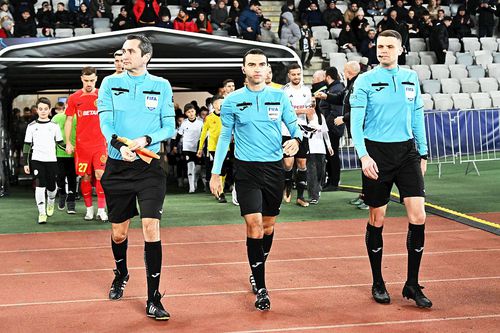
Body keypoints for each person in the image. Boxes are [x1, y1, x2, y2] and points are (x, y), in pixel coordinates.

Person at [209, 48, 302, 311]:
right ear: (244, 69)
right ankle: (261, 288)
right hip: (246, 170)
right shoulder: (232, 100)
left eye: (261, 64)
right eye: (252, 64)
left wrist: (296, 140)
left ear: (267, 68)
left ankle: (257, 266)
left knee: (269, 226)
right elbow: (224, 137)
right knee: (254, 225)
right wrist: (216, 173)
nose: (257, 69)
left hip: (273, 169)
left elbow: (294, 126)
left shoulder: (279, 96)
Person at [350, 29, 432, 308]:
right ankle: (378, 281)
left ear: (400, 49)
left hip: (407, 152)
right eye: (379, 46)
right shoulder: (365, 80)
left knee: (418, 216)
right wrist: (363, 156)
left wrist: (423, 152)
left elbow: (418, 116)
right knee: (377, 219)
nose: (382, 50)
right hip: (376, 154)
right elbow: (355, 124)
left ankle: (411, 284)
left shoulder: (410, 78)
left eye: (388, 46)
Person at [98, 34, 176, 320]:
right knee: (119, 232)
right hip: (118, 167)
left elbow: (169, 127)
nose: (124, 54)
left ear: (146, 57)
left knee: (151, 227)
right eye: (123, 50)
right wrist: (119, 144)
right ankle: (121, 273)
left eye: (131, 51)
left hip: (149, 168)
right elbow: (104, 121)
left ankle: (153, 299)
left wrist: (145, 139)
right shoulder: (109, 83)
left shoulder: (161, 86)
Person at [64, 66, 108, 222]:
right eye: (86, 80)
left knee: (100, 175)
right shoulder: (74, 98)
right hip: (82, 146)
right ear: (81, 79)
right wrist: (68, 142)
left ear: (96, 79)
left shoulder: (103, 95)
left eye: (92, 80)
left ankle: (101, 210)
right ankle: (89, 210)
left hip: (100, 144)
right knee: (86, 177)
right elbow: (69, 120)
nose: (89, 83)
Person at [23, 97, 64, 224]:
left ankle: (51, 201)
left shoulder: (54, 126)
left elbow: (60, 142)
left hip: (51, 160)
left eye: (45, 109)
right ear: (37, 110)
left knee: (52, 187)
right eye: (40, 109)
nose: (43, 111)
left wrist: (70, 148)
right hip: (37, 159)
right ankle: (42, 213)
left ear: (49, 110)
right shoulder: (31, 126)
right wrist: (26, 163)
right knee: (40, 185)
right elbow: (27, 145)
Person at [282, 63, 315, 207]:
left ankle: (301, 197)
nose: (296, 77)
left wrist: (312, 121)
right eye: (293, 74)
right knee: (288, 164)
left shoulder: (306, 90)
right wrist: (303, 111)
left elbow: (309, 110)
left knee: (302, 164)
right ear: (289, 75)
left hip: (302, 131)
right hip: (286, 131)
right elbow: (285, 112)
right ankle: (287, 187)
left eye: (298, 74)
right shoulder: (283, 91)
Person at [315, 66, 344, 191]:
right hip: (332, 126)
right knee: (331, 155)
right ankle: (331, 181)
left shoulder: (336, 89)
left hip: (332, 127)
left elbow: (336, 110)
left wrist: (325, 125)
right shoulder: (335, 88)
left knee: (333, 155)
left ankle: (334, 182)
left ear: (327, 77)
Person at [197, 94, 230, 202]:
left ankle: (220, 189)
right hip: (213, 147)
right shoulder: (209, 118)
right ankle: (220, 193)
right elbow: (203, 133)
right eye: (218, 103)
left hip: (226, 147)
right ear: (213, 105)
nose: (220, 105)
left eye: (222, 103)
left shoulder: (227, 116)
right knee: (218, 169)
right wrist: (200, 148)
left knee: (224, 170)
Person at [52, 101, 78, 214]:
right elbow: (51, 135)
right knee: (60, 177)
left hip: (75, 154)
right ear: (65, 106)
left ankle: (71, 203)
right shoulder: (57, 117)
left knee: (72, 178)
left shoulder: (78, 117)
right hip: (59, 154)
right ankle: (62, 194)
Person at [172, 103, 203, 193]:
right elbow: (178, 135)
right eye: (189, 112)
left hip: (197, 148)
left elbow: (204, 135)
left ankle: (195, 182)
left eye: (192, 111)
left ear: (195, 111)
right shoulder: (184, 124)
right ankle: (191, 187)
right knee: (190, 166)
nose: (191, 113)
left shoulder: (200, 123)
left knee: (198, 168)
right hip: (187, 148)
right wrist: (174, 146)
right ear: (186, 113)